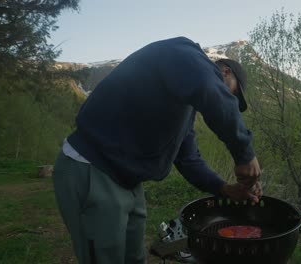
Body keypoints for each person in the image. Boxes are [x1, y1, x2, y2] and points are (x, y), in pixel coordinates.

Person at [53, 36, 262, 264]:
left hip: (128, 181)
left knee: (134, 257)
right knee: (104, 258)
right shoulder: (182, 52)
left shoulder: (184, 108)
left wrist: (224, 189)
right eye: (233, 94)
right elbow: (209, 89)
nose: (229, 100)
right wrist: (245, 154)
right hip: (91, 166)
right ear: (225, 73)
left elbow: (189, 159)